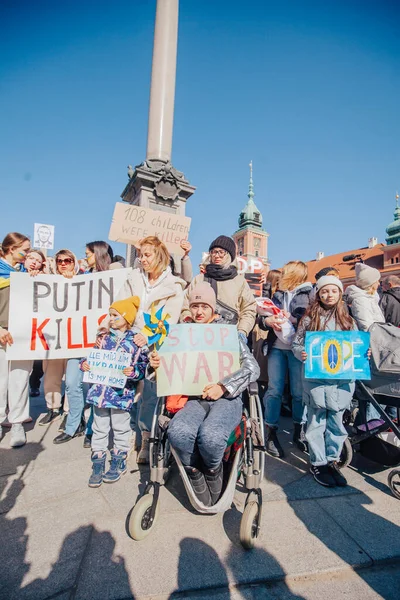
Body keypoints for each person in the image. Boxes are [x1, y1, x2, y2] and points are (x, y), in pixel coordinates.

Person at [149, 283, 260, 506]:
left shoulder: (229, 333)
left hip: (226, 397)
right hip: (192, 397)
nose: (199, 311)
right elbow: (160, 374)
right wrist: (155, 366)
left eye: (204, 306)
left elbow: (252, 369)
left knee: (211, 436)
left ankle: (213, 470)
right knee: (179, 431)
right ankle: (194, 472)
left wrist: (224, 385)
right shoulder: (179, 334)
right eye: (195, 306)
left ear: (213, 310)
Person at [116, 236, 187, 463]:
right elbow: (121, 306)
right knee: (125, 387)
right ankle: (125, 434)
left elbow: (168, 318)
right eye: (141, 255)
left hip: (156, 342)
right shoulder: (133, 278)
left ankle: (146, 439)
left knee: (149, 393)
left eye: (147, 255)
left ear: (159, 256)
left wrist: (145, 336)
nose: (142, 259)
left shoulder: (174, 286)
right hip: (129, 339)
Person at [292, 276, 357, 487]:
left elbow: (356, 346)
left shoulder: (349, 320)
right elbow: (297, 343)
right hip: (317, 381)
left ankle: (332, 460)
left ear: (340, 294)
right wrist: (301, 353)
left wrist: (362, 354)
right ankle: (318, 462)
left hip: (341, 381)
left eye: (333, 291)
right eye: (324, 291)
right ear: (318, 294)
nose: (329, 295)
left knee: (337, 422)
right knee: (316, 421)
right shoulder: (310, 319)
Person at [81, 296, 149, 487]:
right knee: (99, 428)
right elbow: (91, 357)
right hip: (99, 394)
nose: (111, 319)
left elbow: (142, 367)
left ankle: (119, 458)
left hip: (120, 395)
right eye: (110, 315)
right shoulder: (102, 338)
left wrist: (133, 372)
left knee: (121, 428)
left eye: (115, 315)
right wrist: (85, 364)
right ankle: (98, 460)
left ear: (127, 318)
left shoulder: (135, 342)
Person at [262, 261, 312, 458]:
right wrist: (267, 320)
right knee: (274, 390)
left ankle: (299, 430)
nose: (282, 274)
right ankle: (271, 431)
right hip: (277, 347)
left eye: (285, 272)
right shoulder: (278, 294)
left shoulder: (308, 295)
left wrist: (292, 318)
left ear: (294, 274)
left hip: (296, 349)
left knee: (298, 392)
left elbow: (310, 321)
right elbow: (263, 317)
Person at [180, 235, 256, 337]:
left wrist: (242, 331)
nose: (216, 255)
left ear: (229, 255)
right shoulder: (199, 279)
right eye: (213, 252)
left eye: (221, 252)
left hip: (229, 336)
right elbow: (185, 305)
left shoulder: (239, 282)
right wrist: (188, 321)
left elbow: (249, 309)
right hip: (198, 335)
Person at [41, 249, 79, 429]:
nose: (63, 264)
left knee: (72, 380)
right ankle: (53, 408)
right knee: (51, 376)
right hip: (54, 338)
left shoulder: (84, 281)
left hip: (75, 337)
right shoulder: (48, 282)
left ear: (74, 262)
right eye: (59, 261)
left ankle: (68, 411)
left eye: (67, 260)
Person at [0, 232, 32, 447]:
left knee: (20, 379)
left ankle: (18, 422)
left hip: (22, 334)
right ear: (12, 249)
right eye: (25, 250)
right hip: (2, 332)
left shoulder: (25, 274)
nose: (28, 254)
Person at [25, 250, 47, 398]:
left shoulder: (45, 279)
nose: (33, 262)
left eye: (38, 260)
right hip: (19, 327)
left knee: (38, 363)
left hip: (38, 327)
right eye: (30, 258)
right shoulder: (12, 273)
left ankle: (34, 384)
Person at [344, 263, 385, 331]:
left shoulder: (370, 298)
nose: (378, 283)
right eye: (377, 281)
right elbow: (366, 326)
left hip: (379, 337)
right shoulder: (361, 300)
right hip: (373, 339)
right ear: (370, 283)